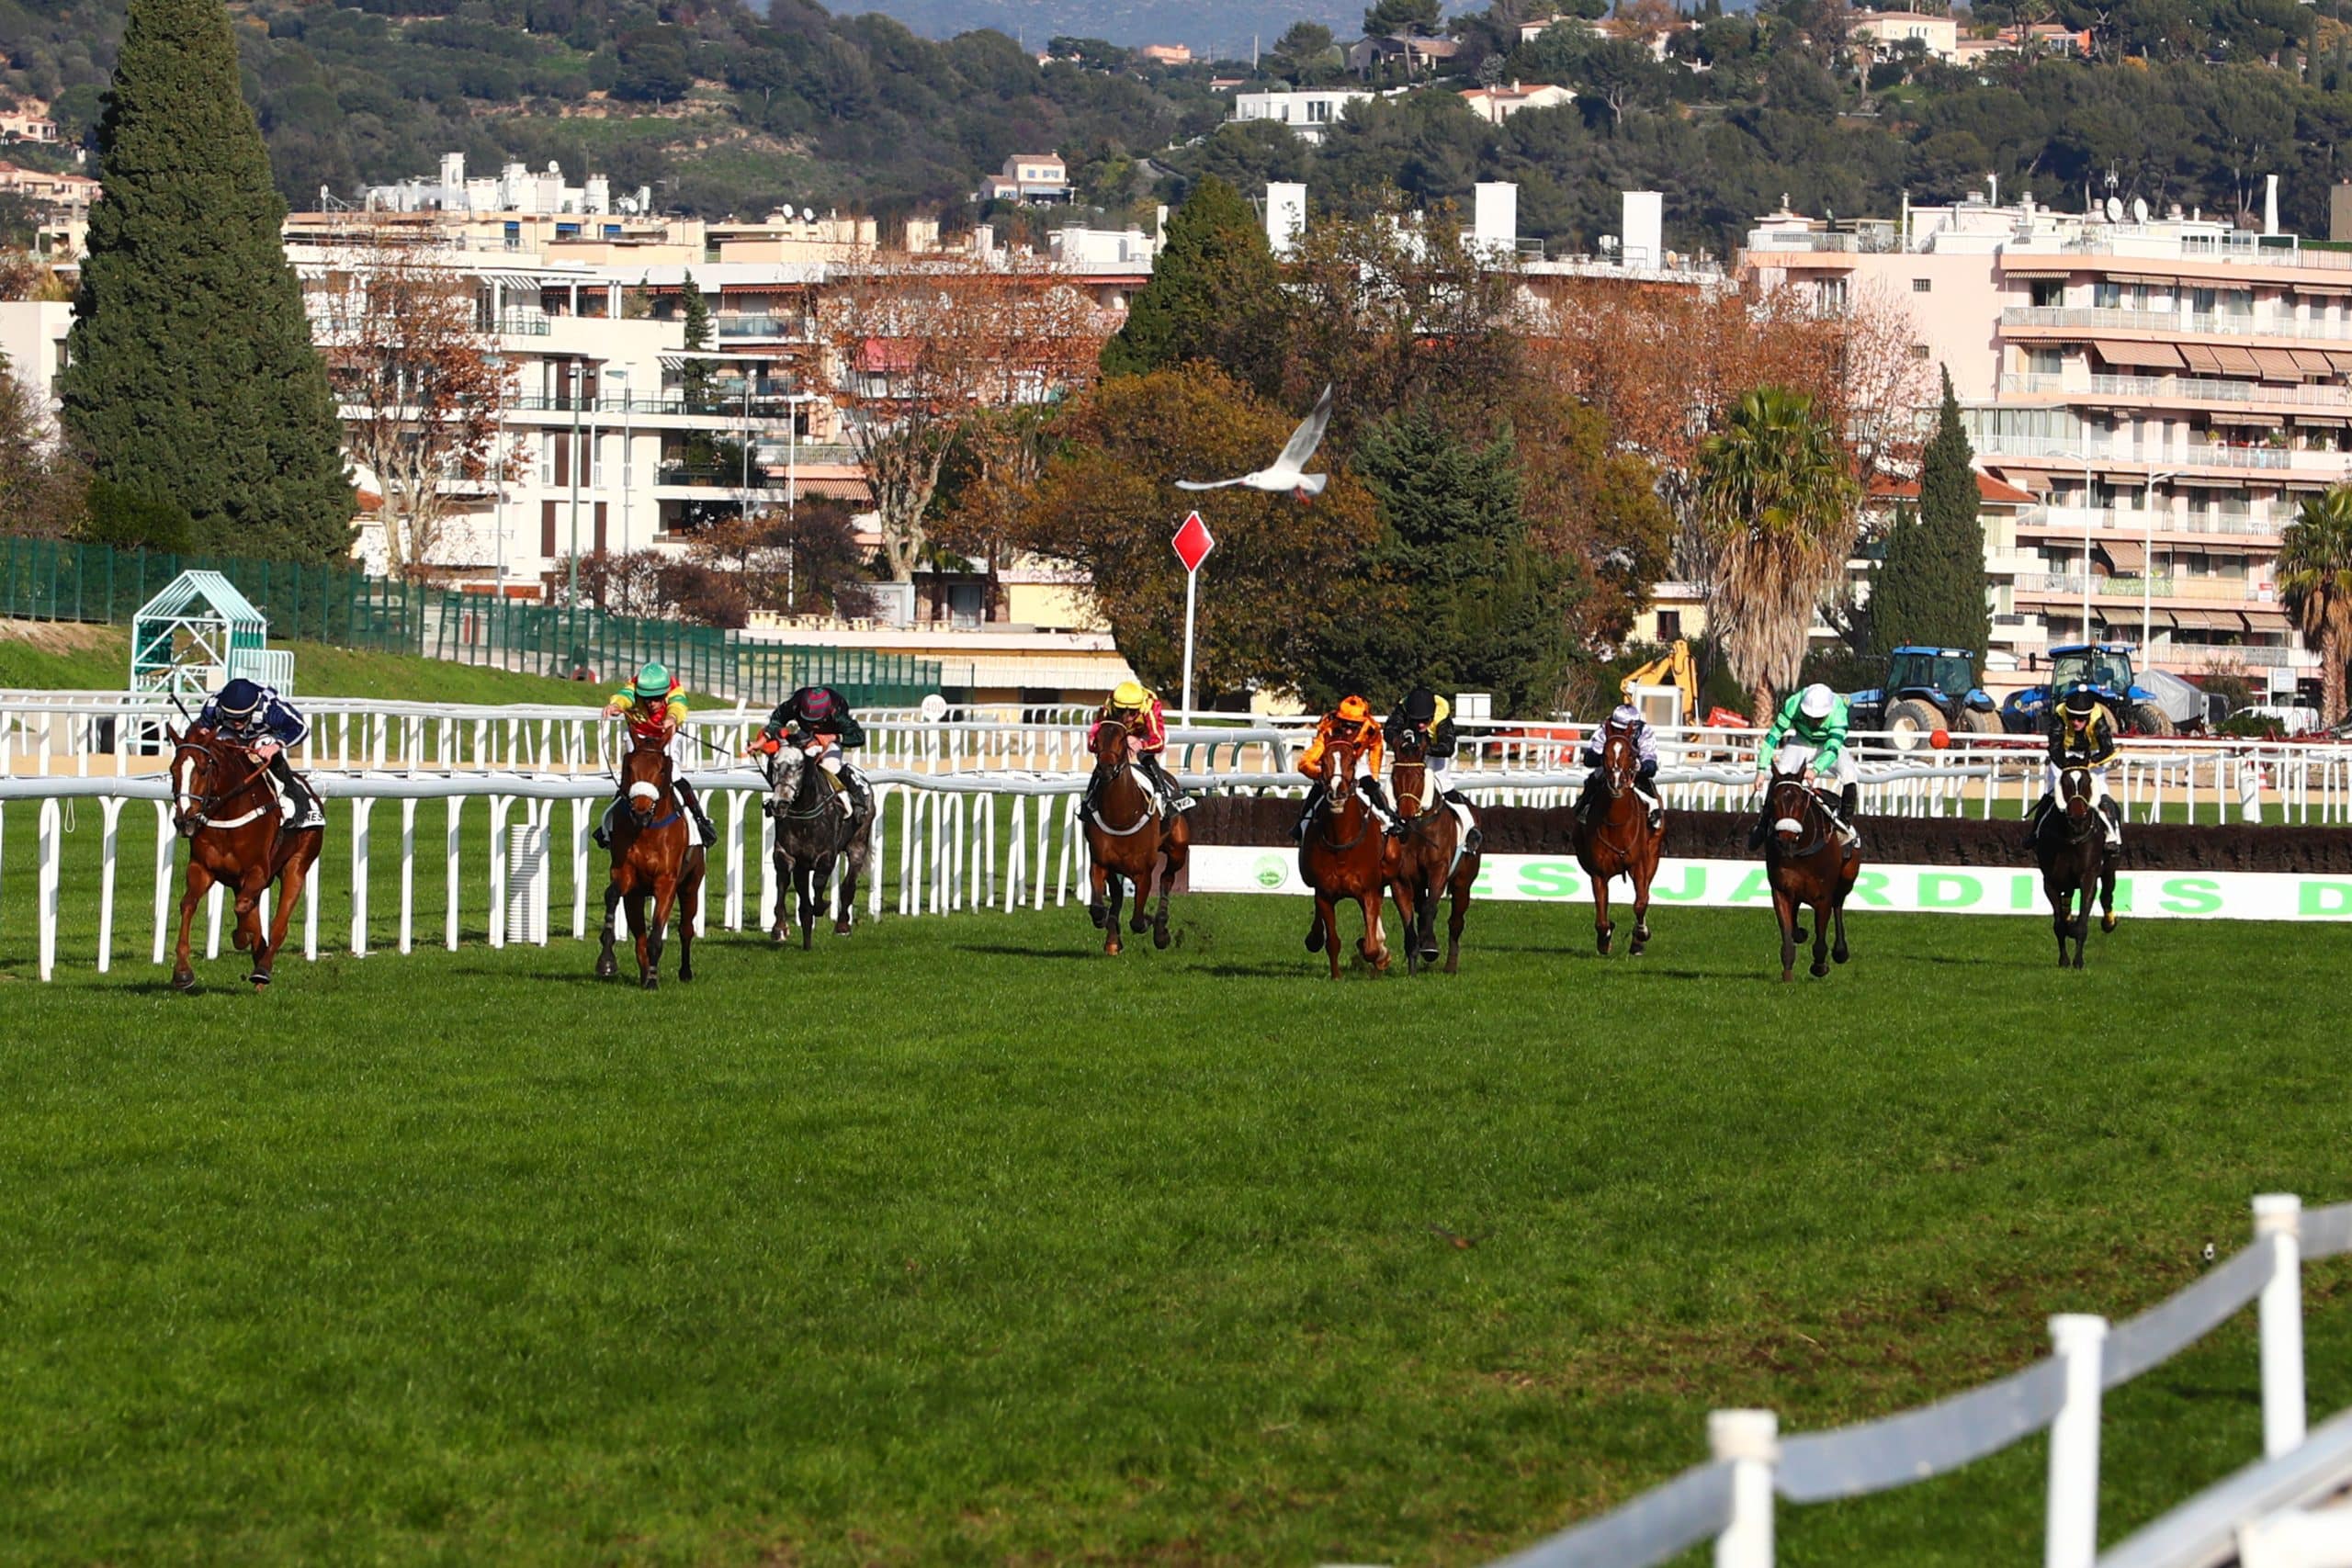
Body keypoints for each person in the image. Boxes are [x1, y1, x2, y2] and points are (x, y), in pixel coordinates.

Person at [597, 661, 716, 850]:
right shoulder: (635, 686)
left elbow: (678, 707)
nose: (652, 703)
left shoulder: (675, 689)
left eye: (657, 698)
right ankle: (609, 829)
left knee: (674, 775)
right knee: (632, 778)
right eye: (647, 699)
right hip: (639, 735)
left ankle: (701, 821)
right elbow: (624, 697)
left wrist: (672, 718)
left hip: (666, 733)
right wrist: (615, 706)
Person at [195, 677, 324, 829]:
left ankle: (293, 796)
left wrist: (276, 746)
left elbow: (300, 728)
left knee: (263, 743)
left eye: (242, 717)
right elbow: (199, 731)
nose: (237, 722)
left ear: (253, 709)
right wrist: (200, 732)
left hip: (265, 734)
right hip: (228, 733)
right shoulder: (213, 706)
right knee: (217, 744)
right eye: (232, 717)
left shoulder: (270, 708)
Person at [1749, 682, 1860, 851]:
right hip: (1801, 742)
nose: (1814, 722)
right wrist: (1761, 769)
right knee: (1781, 772)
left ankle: (1844, 828)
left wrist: (1816, 769)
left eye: (1819, 718)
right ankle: (1763, 825)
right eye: (1810, 717)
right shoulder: (1793, 704)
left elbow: (1832, 749)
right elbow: (1772, 737)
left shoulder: (1839, 712)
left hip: (1827, 745)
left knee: (1850, 774)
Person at [755, 683, 872, 820]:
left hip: (831, 736)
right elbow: (777, 719)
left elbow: (858, 736)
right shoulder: (795, 703)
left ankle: (849, 800)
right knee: (783, 761)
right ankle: (779, 797)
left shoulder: (837, 710)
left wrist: (832, 737)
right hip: (805, 734)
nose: (815, 725)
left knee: (830, 766)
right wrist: (762, 740)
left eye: (817, 721)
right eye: (810, 721)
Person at [2028, 682, 2122, 850]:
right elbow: (2054, 746)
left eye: (2080, 719)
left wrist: (2089, 763)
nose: (2075, 722)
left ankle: (2112, 836)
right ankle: (2035, 833)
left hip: (2092, 755)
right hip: (2064, 754)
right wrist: (2066, 766)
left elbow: (2107, 748)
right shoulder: (2060, 713)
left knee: (2101, 792)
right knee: (2051, 792)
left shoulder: (2097, 717)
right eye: (2072, 717)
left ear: (2088, 716)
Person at [1295, 694, 1401, 841]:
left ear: (1362, 723)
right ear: (1339, 720)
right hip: (1333, 764)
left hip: (1355, 764)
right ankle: (1301, 822)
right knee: (1318, 789)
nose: (1349, 731)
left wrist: (1374, 775)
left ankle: (1389, 817)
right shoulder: (1328, 729)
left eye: (1354, 726)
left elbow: (1376, 749)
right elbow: (1305, 762)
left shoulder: (1370, 728)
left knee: (1372, 786)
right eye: (1345, 725)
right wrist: (1321, 773)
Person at [1083, 680, 1189, 819]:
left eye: (1133, 712)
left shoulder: (1150, 705)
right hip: (1120, 733)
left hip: (1145, 734)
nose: (1127, 717)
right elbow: (1094, 737)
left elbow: (1158, 742)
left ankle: (1166, 797)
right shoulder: (1110, 703)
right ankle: (1089, 799)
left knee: (1146, 756)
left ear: (1139, 707)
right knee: (1105, 760)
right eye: (1121, 711)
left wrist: (1140, 744)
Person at [1577, 702, 1664, 831]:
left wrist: (1640, 766)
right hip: (1608, 770)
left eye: (1623, 730)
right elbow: (1590, 758)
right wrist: (1606, 759)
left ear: (1633, 727)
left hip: (1633, 773)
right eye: (1616, 729)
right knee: (1593, 781)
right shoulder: (1605, 729)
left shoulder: (1644, 732)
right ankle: (1582, 811)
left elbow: (1651, 764)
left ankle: (1655, 820)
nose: (1619, 733)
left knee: (1651, 791)